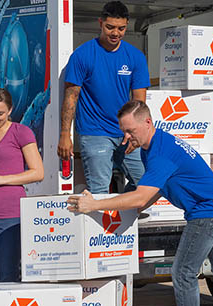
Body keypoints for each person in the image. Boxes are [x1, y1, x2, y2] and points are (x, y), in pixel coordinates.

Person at [67, 100, 213, 306]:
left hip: (206, 213)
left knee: (183, 273)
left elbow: (141, 198)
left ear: (147, 122)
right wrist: (124, 209)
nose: (126, 138)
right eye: (123, 132)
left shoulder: (160, 153)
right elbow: (154, 191)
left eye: (130, 131)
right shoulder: (152, 146)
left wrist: (96, 204)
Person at [59, 1, 149, 196]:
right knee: (99, 191)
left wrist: (136, 132)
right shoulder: (82, 55)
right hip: (95, 133)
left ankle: (124, 215)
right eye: (110, 27)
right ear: (100, 23)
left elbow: (139, 103)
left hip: (126, 133)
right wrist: (65, 135)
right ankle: (101, 225)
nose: (115, 33)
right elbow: (71, 97)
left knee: (146, 184)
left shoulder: (135, 57)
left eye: (121, 28)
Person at [0, 88, 44, 282]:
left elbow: (38, 172)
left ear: (10, 110)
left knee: (8, 276)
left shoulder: (21, 132)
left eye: (0, 113)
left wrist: (0, 178)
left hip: (11, 216)